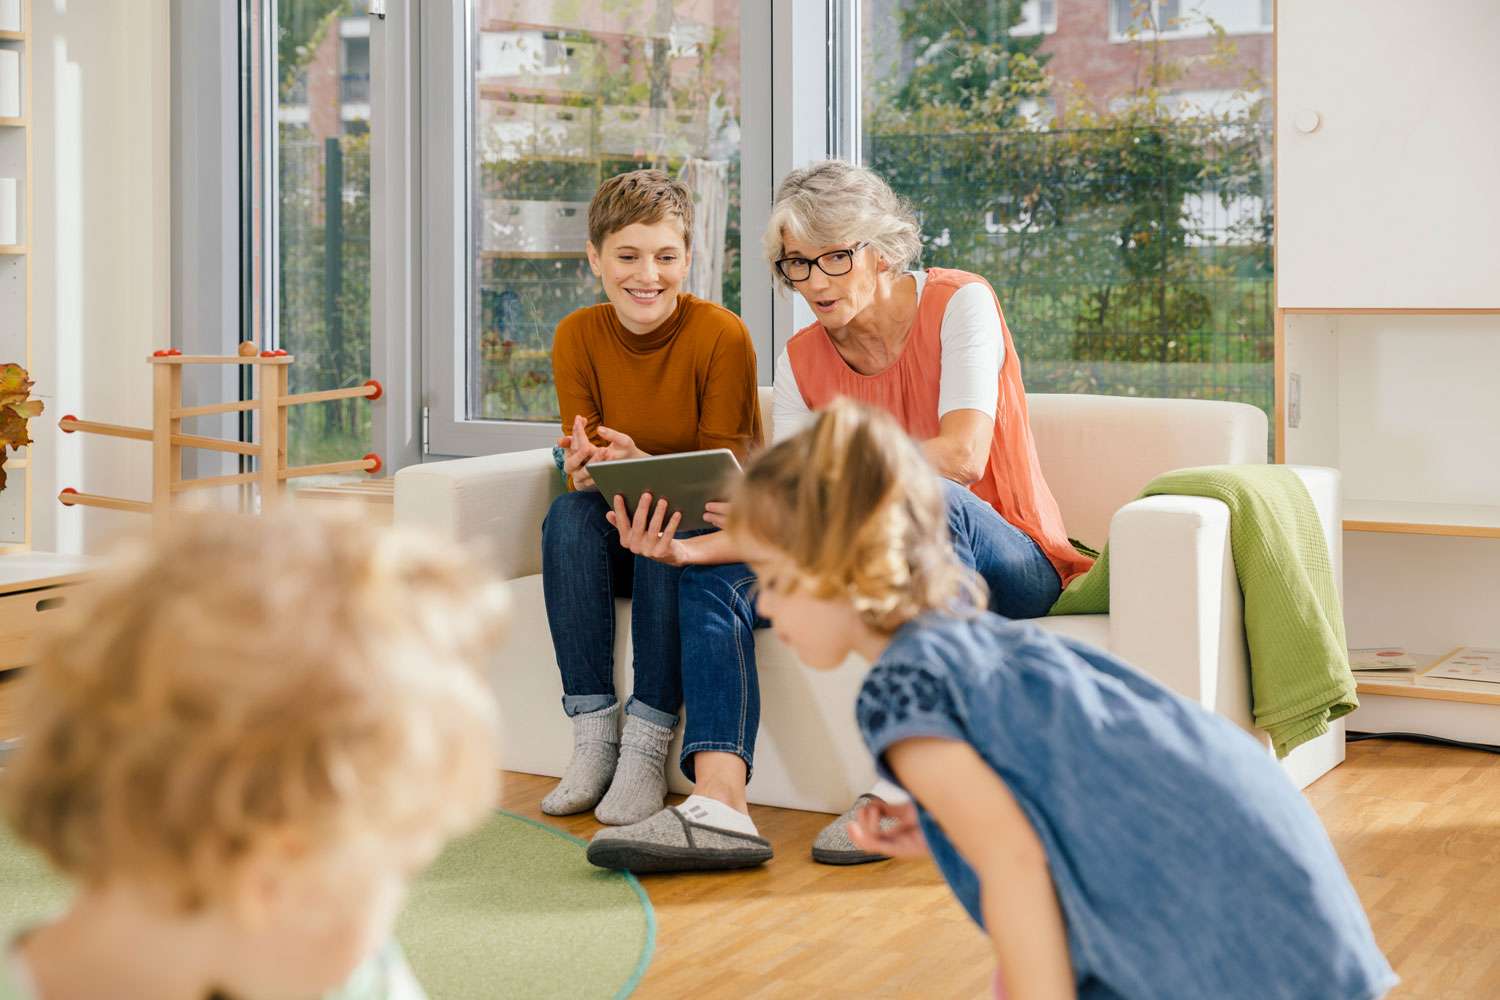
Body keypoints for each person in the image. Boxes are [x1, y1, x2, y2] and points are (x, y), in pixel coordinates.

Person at [728, 399, 1398, 1000]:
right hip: (1250, 842)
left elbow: (1015, 864)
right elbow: (1045, 789)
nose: (760, 600)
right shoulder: (971, 643)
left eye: (774, 577)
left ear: (840, 569)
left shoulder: (903, 686)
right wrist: (946, 824)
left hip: (1192, 896)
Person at [587, 160, 1091, 872]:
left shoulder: (961, 303)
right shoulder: (800, 361)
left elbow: (961, 455)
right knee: (715, 579)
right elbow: (794, 509)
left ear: (881, 250)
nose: (815, 283)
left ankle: (912, 779)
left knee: (929, 499)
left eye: (834, 258)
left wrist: (822, 482)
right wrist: (689, 552)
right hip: (857, 564)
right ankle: (720, 805)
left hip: (1007, 556)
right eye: (798, 264)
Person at [0, 509, 508, 1000]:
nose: (389, 915)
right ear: (275, 879)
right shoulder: (333, 969)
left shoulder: (356, 980)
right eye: (397, 873)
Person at [540, 169, 762, 827]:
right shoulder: (576, 335)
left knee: (669, 517)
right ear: (595, 259)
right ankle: (592, 736)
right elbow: (581, 456)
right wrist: (581, 468)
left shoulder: (722, 337)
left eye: (666, 256)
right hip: (615, 519)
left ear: (688, 258)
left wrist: (647, 465)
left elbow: (727, 478)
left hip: (703, 528)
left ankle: (645, 744)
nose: (648, 275)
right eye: (628, 256)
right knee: (567, 517)